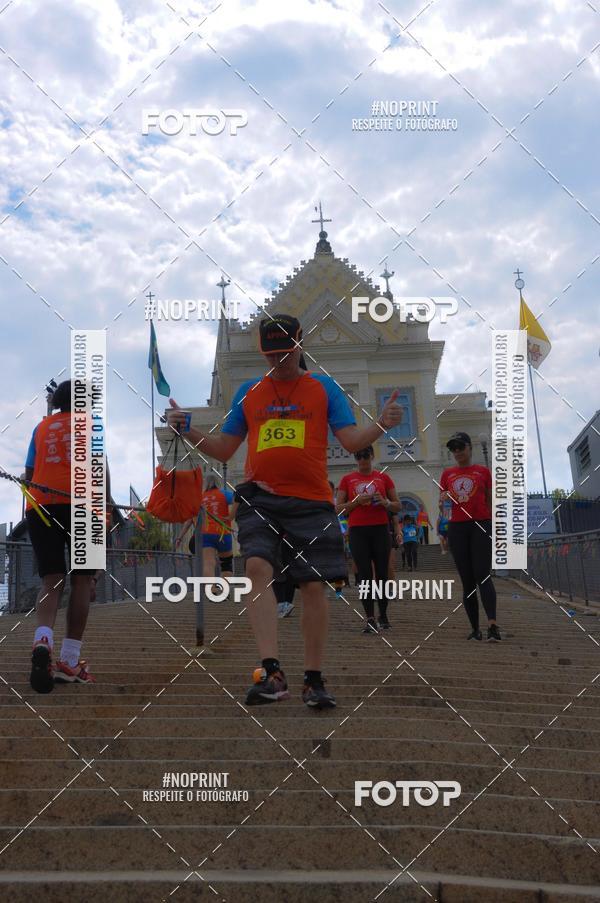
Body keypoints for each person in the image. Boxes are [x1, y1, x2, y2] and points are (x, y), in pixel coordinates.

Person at [166, 313, 403, 709]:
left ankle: (313, 678)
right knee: (257, 568)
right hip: (261, 496)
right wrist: (188, 429)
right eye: (272, 354)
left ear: (300, 344)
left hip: (312, 500)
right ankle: (271, 672)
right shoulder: (249, 391)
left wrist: (381, 423)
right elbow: (225, 447)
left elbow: (350, 440)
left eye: (286, 352)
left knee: (312, 584)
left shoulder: (324, 389)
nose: (279, 361)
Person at [25, 380, 105, 693]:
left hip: (42, 504)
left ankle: (41, 642)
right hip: (84, 505)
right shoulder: (91, 426)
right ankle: (69, 661)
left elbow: (29, 473)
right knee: (83, 581)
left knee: (51, 581)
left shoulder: (41, 428)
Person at [440, 431, 500, 642]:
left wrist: (494, 524)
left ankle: (492, 625)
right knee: (467, 581)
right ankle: (475, 629)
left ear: (469, 447)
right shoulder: (447, 474)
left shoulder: (483, 471)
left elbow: (492, 500)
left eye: (460, 447)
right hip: (457, 528)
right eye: (453, 448)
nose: (457, 452)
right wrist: (442, 501)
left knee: (483, 574)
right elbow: (443, 508)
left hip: (480, 525)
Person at [337, 447, 400, 633]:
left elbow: (398, 505)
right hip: (358, 532)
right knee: (364, 576)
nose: (362, 459)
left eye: (365, 455)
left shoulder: (383, 477)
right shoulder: (347, 479)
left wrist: (386, 503)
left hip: (380, 530)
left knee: (382, 574)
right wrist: (356, 502)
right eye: (358, 456)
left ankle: (384, 614)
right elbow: (338, 509)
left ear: (372, 456)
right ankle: (370, 618)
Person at [199, 475, 234, 598]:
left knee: (208, 563)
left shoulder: (201, 497)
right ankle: (224, 591)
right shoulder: (223, 493)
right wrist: (232, 516)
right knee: (226, 563)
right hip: (223, 532)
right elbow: (238, 500)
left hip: (206, 533)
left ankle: (211, 590)